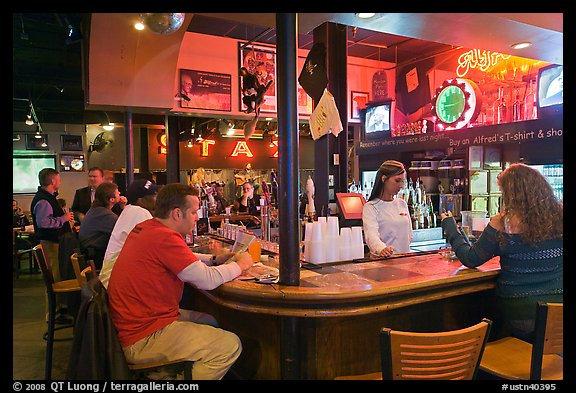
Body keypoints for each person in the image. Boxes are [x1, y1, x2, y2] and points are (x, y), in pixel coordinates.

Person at [107, 183, 254, 380]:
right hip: (141, 337)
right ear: (177, 214)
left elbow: (176, 257)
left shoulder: (148, 227)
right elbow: (207, 280)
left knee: (210, 320)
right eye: (193, 212)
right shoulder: (164, 237)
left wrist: (212, 260)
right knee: (229, 345)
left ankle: (169, 371)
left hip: (134, 323)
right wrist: (241, 265)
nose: (196, 217)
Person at [441, 163, 562, 342]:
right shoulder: (559, 217)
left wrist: (450, 227)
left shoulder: (503, 222)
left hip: (521, 313)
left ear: (511, 194)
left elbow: (470, 258)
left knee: (489, 326)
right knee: (546, 350)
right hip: (558, 313)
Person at [31, 168, 75, 320]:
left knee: (57, 276)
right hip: (50, 244)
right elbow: (44, 223)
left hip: (53, 242)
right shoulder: (44, 200)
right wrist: (64, 219)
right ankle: (54, 313)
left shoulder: (48, 197)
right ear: (52, 181)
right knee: (54, 278)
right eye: (59, 179)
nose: (60, 182)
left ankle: (59, 310)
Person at [99, 179, 160, 288]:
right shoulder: (141, 213)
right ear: (141, 200)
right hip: (117, 284)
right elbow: (159, 248)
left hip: (111, 280)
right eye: (153, 195)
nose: (157, 198)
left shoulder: (130, 211)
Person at [362, 160, 413, 257]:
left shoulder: (402, 204)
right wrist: (382, 249)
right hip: (382, 262)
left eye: (402, 181)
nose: (401, 185)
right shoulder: (371, 207)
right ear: (384, 179)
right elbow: (371, 236)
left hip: (405, 260)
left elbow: (409, 235)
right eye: (397, 180)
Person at [78, 182, 122, 270]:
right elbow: (122, 230)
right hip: (97, 261)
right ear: (111, 199)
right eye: (117, 192)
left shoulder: (96, 210)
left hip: (91, 256)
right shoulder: (105, 215)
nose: (120, 193)